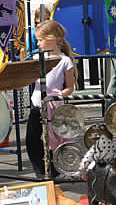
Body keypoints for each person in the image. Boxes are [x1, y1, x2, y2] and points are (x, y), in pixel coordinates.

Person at [27, 20, 76, 179]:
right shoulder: (40, 58)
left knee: (53, 140)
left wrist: (59, 94)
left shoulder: (65, 61)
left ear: (53, 38)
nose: (38, 43)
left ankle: (51, 171)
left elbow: (70, 87)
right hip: (36, 106)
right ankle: (41, 172)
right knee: (32, 141)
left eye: (40, 39)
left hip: (52, 105)